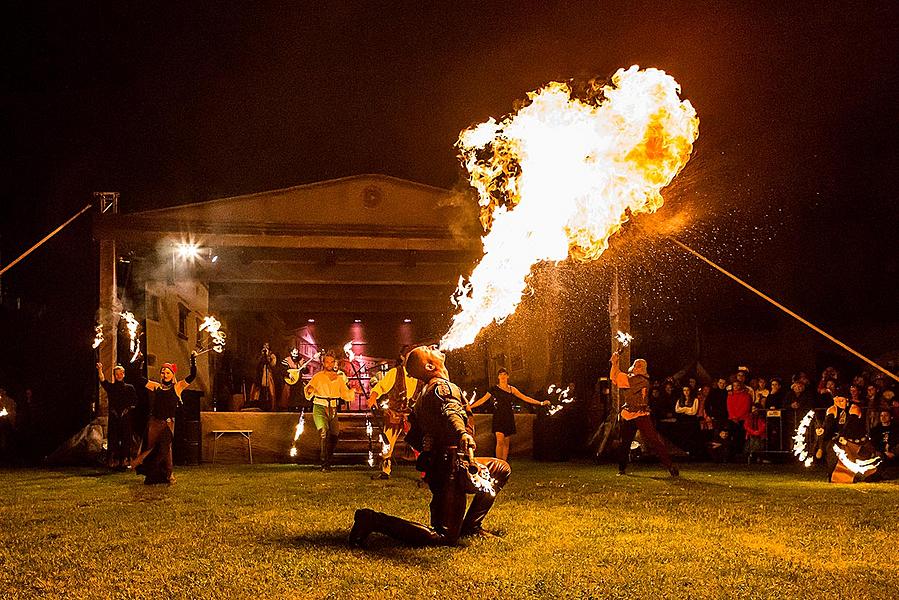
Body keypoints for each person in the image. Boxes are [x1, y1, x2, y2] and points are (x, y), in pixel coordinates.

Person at [349, 345, 511, 547]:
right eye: (428, 349)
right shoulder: (443, 387)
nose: (434, 346)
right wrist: (461, 433)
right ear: (429, 365)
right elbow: (450, 410)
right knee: (443, 536)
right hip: (450, 468)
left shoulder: (424, 393)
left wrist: (430, 444)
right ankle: (372, 520)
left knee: (500, 468)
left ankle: (471, 526)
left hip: (444, 463)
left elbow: (415, 435)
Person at [610, 351, 678, 477]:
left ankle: (670, 466)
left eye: (640, 366)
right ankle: (621, 468)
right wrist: (615, 363)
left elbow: (620, 379)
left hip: (641, 414)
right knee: (625, 442)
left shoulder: (641, 380)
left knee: (654, 440)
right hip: (629, 414)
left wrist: (616, 363)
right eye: (636, 365)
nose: (637, 367)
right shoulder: (632, 377)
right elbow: (615, 378)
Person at [131, 354, 196, 484]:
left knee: (164, 448)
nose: (165, 375)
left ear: (172, 374)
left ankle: (158, 472)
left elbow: (192, 376)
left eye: (167, 372)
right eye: (163, 372)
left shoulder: (177, 387)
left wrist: (193, 360)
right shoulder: (156, 386)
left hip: (168, 424)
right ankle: (164, 474)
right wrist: (141, 362)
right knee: (156, 449)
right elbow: (139, 379)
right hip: (154, 424)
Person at [469, 368, 549, 461]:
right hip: (498, 416)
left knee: (506, 442)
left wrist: (541, 403)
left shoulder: (512, 389)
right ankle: (499, 463)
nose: (503, 376)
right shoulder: (494, 389)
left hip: (508, 416)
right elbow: (482, 400)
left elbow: (525, 398)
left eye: (504, 374)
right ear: (498, 377)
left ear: (508, 376)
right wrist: (470, 407)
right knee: (500, 441)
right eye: (501, 374)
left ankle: (504, 463)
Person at [367, 345, 418, 479]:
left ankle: (426, 473)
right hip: (394, 414)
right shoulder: (395, 372)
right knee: (387, 443)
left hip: (411, 415)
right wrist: (373, 397)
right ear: (402, 357)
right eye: (408, 355)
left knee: (419, 443)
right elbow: (381, 386)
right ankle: (385, 471)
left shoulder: (420, 374)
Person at [304, 350, 354, 471]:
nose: (330, 364)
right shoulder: (318, 377)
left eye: (332, 362)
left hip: (333, 408)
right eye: (327, 362)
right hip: (320, 406)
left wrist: (353, 391)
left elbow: (345, 394)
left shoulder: (339, 378)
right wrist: (309, 390)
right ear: (324, 363)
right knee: (323, 431)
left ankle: (328, 458)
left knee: (335, 435)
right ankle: (324, 463)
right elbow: (309, 390)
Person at [96, 363, 138, 469]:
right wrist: (100, 369)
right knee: (113, 438)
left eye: (120, 374)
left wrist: (126, 410)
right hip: (114, 417)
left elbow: (134, 402)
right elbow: (102, 380)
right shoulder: (111, 387)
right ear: (114, 375)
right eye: (116, 374)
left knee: (126, 438)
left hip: (125, 417)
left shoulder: (129, 388)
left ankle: (125, 460)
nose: (118, 376)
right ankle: (112, 460)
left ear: (123, 374)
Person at [250, 343, 278, 411]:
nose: (265, 347)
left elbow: (273, 365)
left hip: (268, 375)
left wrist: (267, 357)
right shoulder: (259, 355)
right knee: (257, 390)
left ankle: (270, 406)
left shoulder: (272, 356)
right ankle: (256, 404)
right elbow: (255, 364)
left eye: (267, 346)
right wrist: (261, 356)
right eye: (264, 346)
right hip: (259, 375)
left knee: (270, 390)